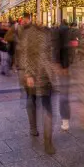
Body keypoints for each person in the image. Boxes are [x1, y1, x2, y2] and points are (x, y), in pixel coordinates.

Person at [15, 13, 55, 154]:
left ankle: (47, 141)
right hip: (33, 75)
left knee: (45, 107)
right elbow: (25, 54)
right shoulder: (29, 33)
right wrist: (28, 74)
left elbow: (49, 55)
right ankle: (34, 129)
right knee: (33, 101)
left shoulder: (46, 33)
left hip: (43, 76)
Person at [54, 19, 73, 131]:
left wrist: (60, 65)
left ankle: (65, 121)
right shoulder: (72, 32)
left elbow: (58, 49)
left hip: (64, 67)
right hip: (71, 67)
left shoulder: (59, 32)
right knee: (65, 94)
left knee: (64, 94)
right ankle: (65, 120)